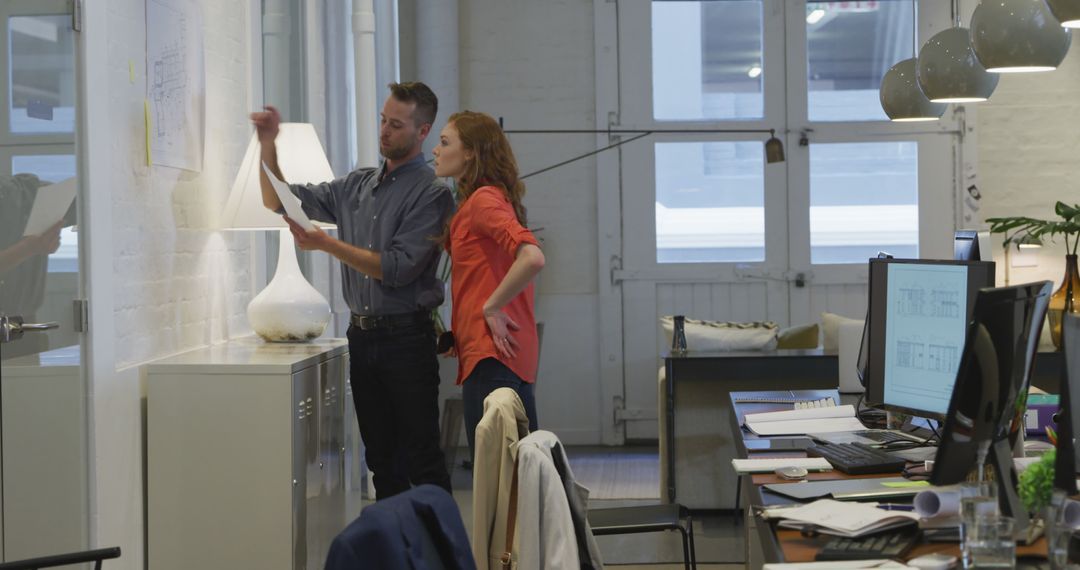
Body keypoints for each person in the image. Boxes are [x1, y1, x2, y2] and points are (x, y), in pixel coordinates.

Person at [250, 82, 454, 499]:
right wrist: (268, 144)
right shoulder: (357, 185)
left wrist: (326, 244)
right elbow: (281, 202)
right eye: (382, 120)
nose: (384, 131)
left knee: (421, 459)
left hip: (407, 339)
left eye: (396, 125)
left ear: (422, 131)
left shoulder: (432, 193)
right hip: (362, 338)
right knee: (381, 461)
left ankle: (440, 553)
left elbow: (396, 268)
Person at [432, 110, 545, 458]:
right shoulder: (486, 199)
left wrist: (490, 308)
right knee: (517, 474)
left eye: (444, 142)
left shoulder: (483, 201)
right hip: (497, 353)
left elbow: (532, 257)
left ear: (471, 152)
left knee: (500, 480)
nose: (435, 150)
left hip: (494, 356)